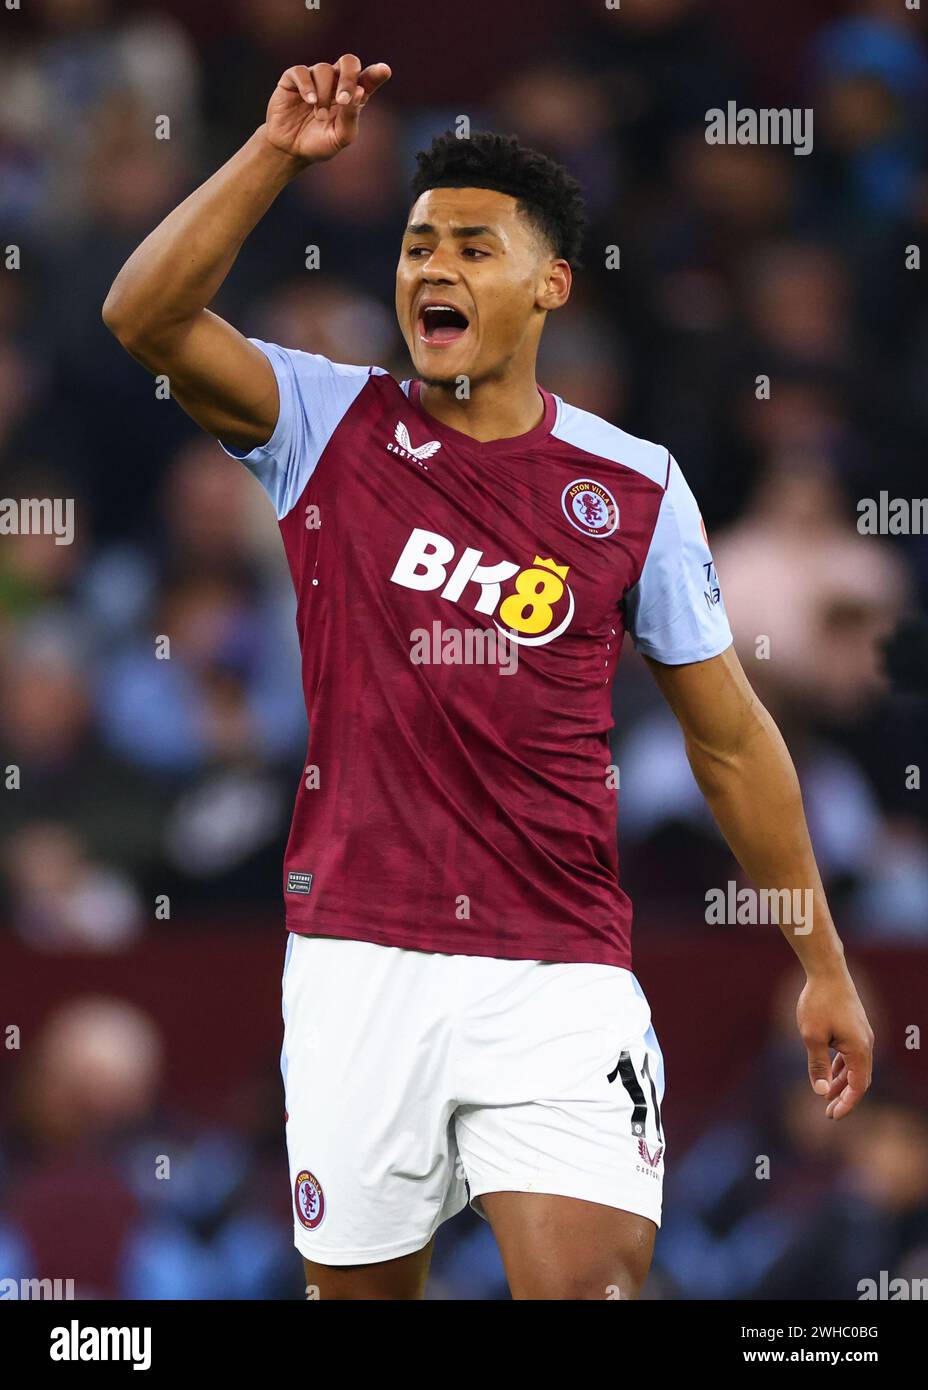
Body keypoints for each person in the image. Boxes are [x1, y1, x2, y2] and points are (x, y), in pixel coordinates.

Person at [102, 55, 874, 1301]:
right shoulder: (324, 425)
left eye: (472, 245)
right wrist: (273, 156)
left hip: (558, 969)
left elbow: (729, 741)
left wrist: (822, 961)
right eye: (415, 247)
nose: (432, 270)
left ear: (550, 284)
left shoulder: (634, 488)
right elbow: (141, 318)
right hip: (357, 959)